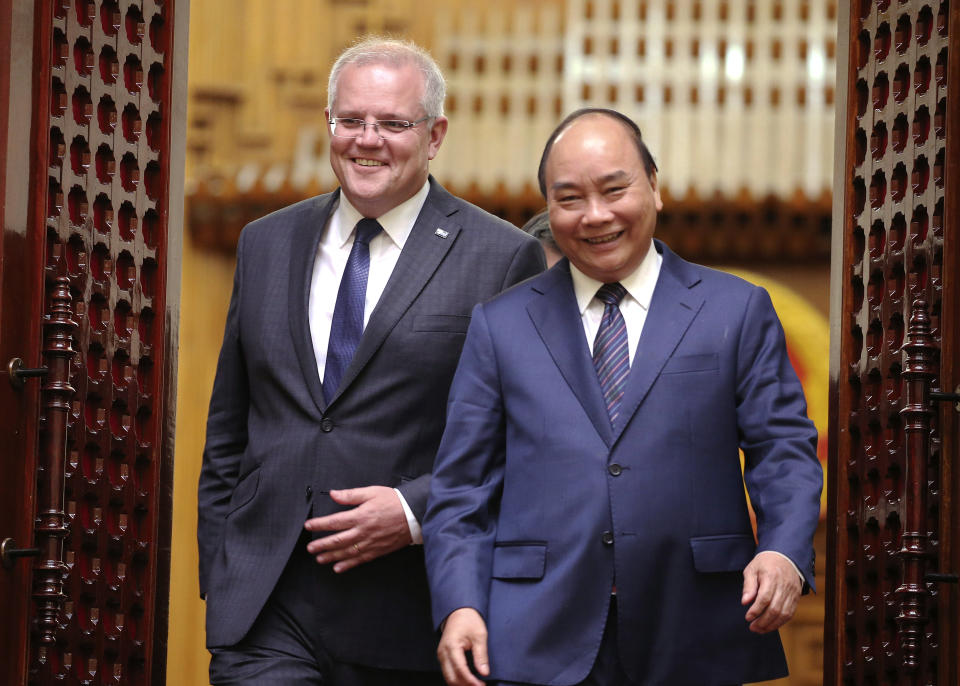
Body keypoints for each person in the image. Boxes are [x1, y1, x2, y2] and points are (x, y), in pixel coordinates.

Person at [423, 108, 823, 686]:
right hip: (534, 634)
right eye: (569, 198)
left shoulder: (735, 309)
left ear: (655, 188)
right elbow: (462, 487)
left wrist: (784, 551)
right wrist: (460, 604)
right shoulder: (500, 325)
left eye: (615, 190)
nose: (596, 216)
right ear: (548, 208)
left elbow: (782, 449)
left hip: (695, 626)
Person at [197, 37, 545, 685]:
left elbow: (523, 441)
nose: (367, 140)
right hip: (265, 603)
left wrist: (414, 510)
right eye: (350, 120)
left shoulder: (499, 257)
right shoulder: (265, 243)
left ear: (435, 134)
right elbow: (230, 427)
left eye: (393, 124)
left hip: (406, 608)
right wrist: (222, 570)